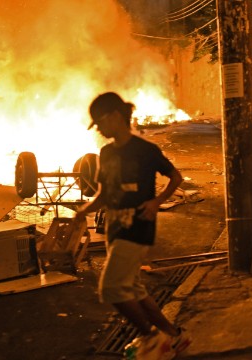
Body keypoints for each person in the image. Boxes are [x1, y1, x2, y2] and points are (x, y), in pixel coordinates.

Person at [74, 92, 191, 359]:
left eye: (100, 123)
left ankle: (152, 339)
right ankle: (175, 336)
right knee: (133, 287)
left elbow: (176, 177)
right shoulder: (105, 153)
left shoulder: (146, 151)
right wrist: (83, 211)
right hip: (115, 228)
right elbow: (104, 193)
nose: (100, 130)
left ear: (115, 117)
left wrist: (157, 201)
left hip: (138, 227)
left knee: (112, 288)